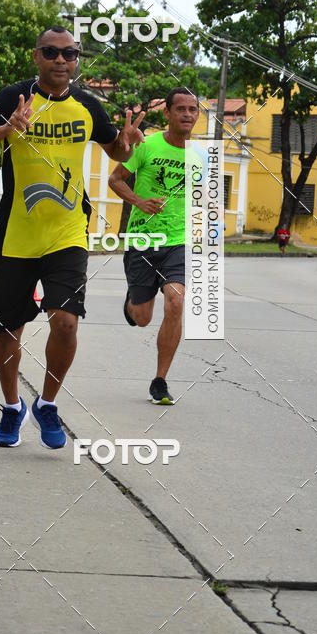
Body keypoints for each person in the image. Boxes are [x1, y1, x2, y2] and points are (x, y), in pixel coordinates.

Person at [0, 26, 145, 449]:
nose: (61, 59)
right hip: (16, 234)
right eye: (52, 52)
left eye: (70, 53)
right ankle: (12, 408)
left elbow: (115, 149)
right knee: (8, 329)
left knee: (66, 321)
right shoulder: (10, 98)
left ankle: (47, 403)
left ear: (77, 59)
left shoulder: (88, 105)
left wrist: (127, 145)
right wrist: (5, 130)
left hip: (68, 232)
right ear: (36, 56)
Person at [108, 88, 200, 406]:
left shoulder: (202, 156)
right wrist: (139, 201)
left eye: (193, 109)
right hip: (143, 239)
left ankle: (160, 381)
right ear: (168, 113)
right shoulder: (147, 145)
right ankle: (132, 303)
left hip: (179, 241)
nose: (187, 114)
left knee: (176, 300)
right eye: (181, 109)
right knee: (143, 317)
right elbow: (115, 179)